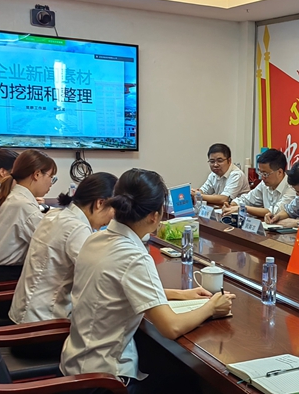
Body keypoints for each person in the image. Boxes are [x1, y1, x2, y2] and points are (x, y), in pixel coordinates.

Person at [61, 168, 235, 393]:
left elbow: (117, 289)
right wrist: (211, 307)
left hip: (76, 364)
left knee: (166, 364)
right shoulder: (134, 256)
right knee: (188, 382)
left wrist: (179, 294)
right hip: (104, 381)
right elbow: (171, 327)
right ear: (155, 215)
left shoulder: (96, 239)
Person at [9, 172, 118, 325]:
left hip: (25, 314)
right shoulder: (77, 228)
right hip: (42, 324)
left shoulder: (57, 215)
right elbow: (97, 278)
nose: (113, 218)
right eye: (115, 210)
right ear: (100, 203)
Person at [0, 149, 56, 317]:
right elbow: (50, 244)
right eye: (51, 177)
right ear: (37, 174)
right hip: (5, 290)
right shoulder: (22, 205)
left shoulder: (14, 198)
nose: (51, 183)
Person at [222, 149, 295, 218]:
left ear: (280, 172)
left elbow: (276, 212)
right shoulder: (265, 184)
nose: (262, 177)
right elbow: (247, 199)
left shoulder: (292, 187)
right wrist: (232, 204)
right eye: (260, 172)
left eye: (265, 174)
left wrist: (243, 208)